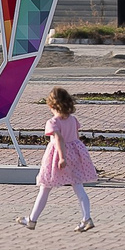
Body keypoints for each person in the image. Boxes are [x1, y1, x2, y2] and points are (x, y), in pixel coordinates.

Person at [20, 86, 98, 231]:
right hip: (75, 153)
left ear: (51, 105)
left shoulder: (53, 122)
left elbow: (59, 139)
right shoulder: (73, 120)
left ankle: (32, 219)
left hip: (57, 155)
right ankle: (86, 218)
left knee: (45, 187)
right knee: (78, 187)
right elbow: (76, 137)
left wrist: (62, 157)